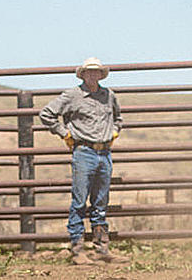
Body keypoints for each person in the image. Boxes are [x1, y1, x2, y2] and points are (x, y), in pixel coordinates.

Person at [39, 57, 124, 264]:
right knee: (79, 201)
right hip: (84, 151)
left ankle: (101, 249)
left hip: (104, 152)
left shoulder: (108, 95)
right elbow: (46, 114)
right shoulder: (72, 96)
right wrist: (64, 133)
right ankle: (77, 249)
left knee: (101, 202)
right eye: (89, 72)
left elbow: (118, 118)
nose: (93, 75)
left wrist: (113, 132)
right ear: (83, 74)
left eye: (96, 72)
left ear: (100, 75)